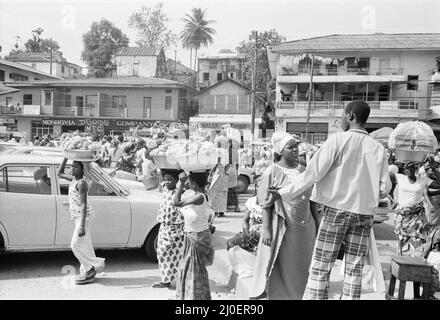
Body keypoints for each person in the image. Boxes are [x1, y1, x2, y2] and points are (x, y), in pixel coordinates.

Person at [269, 100, 392, 300]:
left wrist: (282, 192)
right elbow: (385, 188)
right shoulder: (378, 148)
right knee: (354, 268)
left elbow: (312, 174)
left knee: (321, 265)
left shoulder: (337, 140)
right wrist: (365, 190)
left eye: (343, 115)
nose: (341, 119)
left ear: (350, 116)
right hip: (363, 214)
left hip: (336, 211)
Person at [249, 132, 319, 300]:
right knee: (284, 264)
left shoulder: (304, 170)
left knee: (303, 264)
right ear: (280, 150)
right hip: (284, 227)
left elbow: (312, 202)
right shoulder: (272, 172)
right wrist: (266, 229)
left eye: (296, 146)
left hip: (306, 228)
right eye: (290, 147)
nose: (295, 150)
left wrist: (317, 225)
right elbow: (266, 203)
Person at [57, 158, 105, 285]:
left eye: (76, 167)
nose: (72, 168)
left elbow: (84, 205)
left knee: (75, 245)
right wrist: (66, 157)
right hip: (79, 217)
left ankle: (89, 269)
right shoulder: (74, 179)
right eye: (72, 166)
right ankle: (91, 269)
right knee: (85, 245)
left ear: (82, 169)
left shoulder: (81, 184)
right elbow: (59, 173)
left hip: (84, 217)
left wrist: (82, 226)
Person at [172, 171, 213, 300]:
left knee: (194, 269)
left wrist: (181, 183)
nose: (187, 184)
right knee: (192, 268)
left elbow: (176, 203)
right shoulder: (198, 195)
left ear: (194, 183)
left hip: (198, 236)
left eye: (189, 181)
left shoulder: (199, 196)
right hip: (195, 235)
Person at [390, 160, 440, 257]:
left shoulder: (423, 180)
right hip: (402, 215)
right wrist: (391, 193)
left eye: (413, 167)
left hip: (417, 215)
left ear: (416, 169)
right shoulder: (400, 177)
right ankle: (401, 262)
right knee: (402, 239)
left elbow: (439, 184)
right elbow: (386, 176)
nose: (411, 169)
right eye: (408, 167)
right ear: (404, 170)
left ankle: (416, 260)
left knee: (418, 239)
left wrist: (433, 168)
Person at [152, 170, 185, 289]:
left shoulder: (180, 191)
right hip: (164, 227)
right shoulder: (164, 189)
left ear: (176, 181)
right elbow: (160, 174)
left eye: (169, 179)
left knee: (177, 256)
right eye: (165, 179)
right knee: (161, 253)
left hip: (178, 229)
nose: (166, 182)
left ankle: (179, 281)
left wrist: (182, 182)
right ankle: (165, 280)